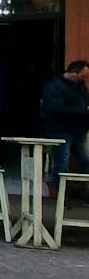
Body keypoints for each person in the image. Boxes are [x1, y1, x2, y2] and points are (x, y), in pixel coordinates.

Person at [40, 60, 89, 189]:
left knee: (84, 162)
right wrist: (84, 111)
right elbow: (54, 109)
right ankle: (62, 195)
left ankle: (73, 193)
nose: (84, 79)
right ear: (74, 73)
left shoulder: (78, 85)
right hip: (61, 130)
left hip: (77, 130)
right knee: (62, 164)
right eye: (82, 76)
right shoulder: (55, 87)